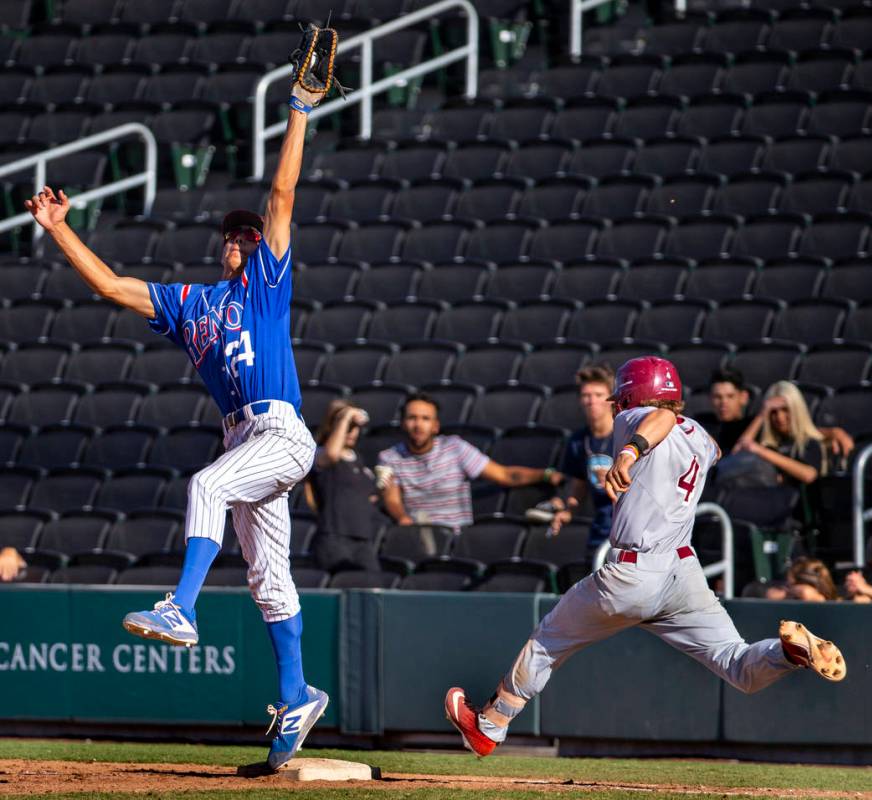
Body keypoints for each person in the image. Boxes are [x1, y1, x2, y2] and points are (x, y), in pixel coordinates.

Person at [24, 54, 330, 771]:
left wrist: (299, 111)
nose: (240, 239)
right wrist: (57, 227)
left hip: (279, 430)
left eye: (247, 235)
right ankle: (297, 694)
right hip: (244, 435)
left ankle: (181, 609)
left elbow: (282, 194)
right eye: (233, 234)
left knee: (206, 486)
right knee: (268, 579)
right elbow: (109, 286)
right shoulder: (191, 304)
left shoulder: (265, 285)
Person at [444, 357, 847, 758]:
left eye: (623, 397)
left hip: (633, 572)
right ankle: (786, 653)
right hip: (683, 573)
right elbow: (711, 445)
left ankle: (490, 724)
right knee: (737, 663)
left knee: (548, 640)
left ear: (638, 396)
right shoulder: (704, 438)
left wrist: (630, 452)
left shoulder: (641, 418)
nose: (618, 406)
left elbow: (662, 420)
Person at [378, 392, 563, 532]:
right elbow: (392, 500)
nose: (418, 425)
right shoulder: (389, 458)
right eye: (412, 418)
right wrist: (404, 520)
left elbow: (505, 475)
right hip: (416, 536)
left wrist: (545, 474)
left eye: (425, 419)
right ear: (403, 423)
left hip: (457, 537)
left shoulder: (455, 448)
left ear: (435, 426)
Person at [703, 369, 854, 463]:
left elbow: (795, 431)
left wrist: (833, 432)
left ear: (743, 397)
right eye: (717, 397)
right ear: (710, 399)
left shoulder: (753, 424)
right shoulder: (701, 424)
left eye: (730, 396)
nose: (723, 403)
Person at [304, 400, 384, 572]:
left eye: (354, 426)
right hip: (334, 538)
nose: (350, 431)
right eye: (346, 425)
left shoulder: (359, 461)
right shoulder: (319, 454)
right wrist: (346, 416)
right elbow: (332, 454)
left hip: (362, 539)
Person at [546, 365, 615, 546]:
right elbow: (580, 484)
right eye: (586, 395)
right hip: (601, 529)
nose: (592, 401)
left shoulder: (626, 435)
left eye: (599, 395)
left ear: (611, 399)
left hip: (630, 527)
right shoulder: (578, 441)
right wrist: (569, 510)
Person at [734, 381, 828, 489]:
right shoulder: (767, 443)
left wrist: (761, 451)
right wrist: (762, 414)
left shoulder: (809, 441)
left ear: (796, 410)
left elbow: (809, 474)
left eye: (785, 409)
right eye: (773, 411)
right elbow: (737, 455)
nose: (780, 417)